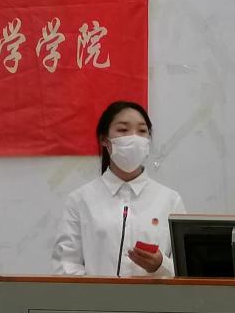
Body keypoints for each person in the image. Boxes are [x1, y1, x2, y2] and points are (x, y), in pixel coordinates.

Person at [52, 101, 185, 276]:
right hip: (94, 295)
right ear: (104, 140)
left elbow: (187, 268)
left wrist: (160, 265)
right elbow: (66, 265)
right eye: (123, 130)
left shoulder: (170, 200)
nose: (133, 137)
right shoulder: (80, 200)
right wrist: (96, 292)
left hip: (154, 295)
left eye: (142, 131)